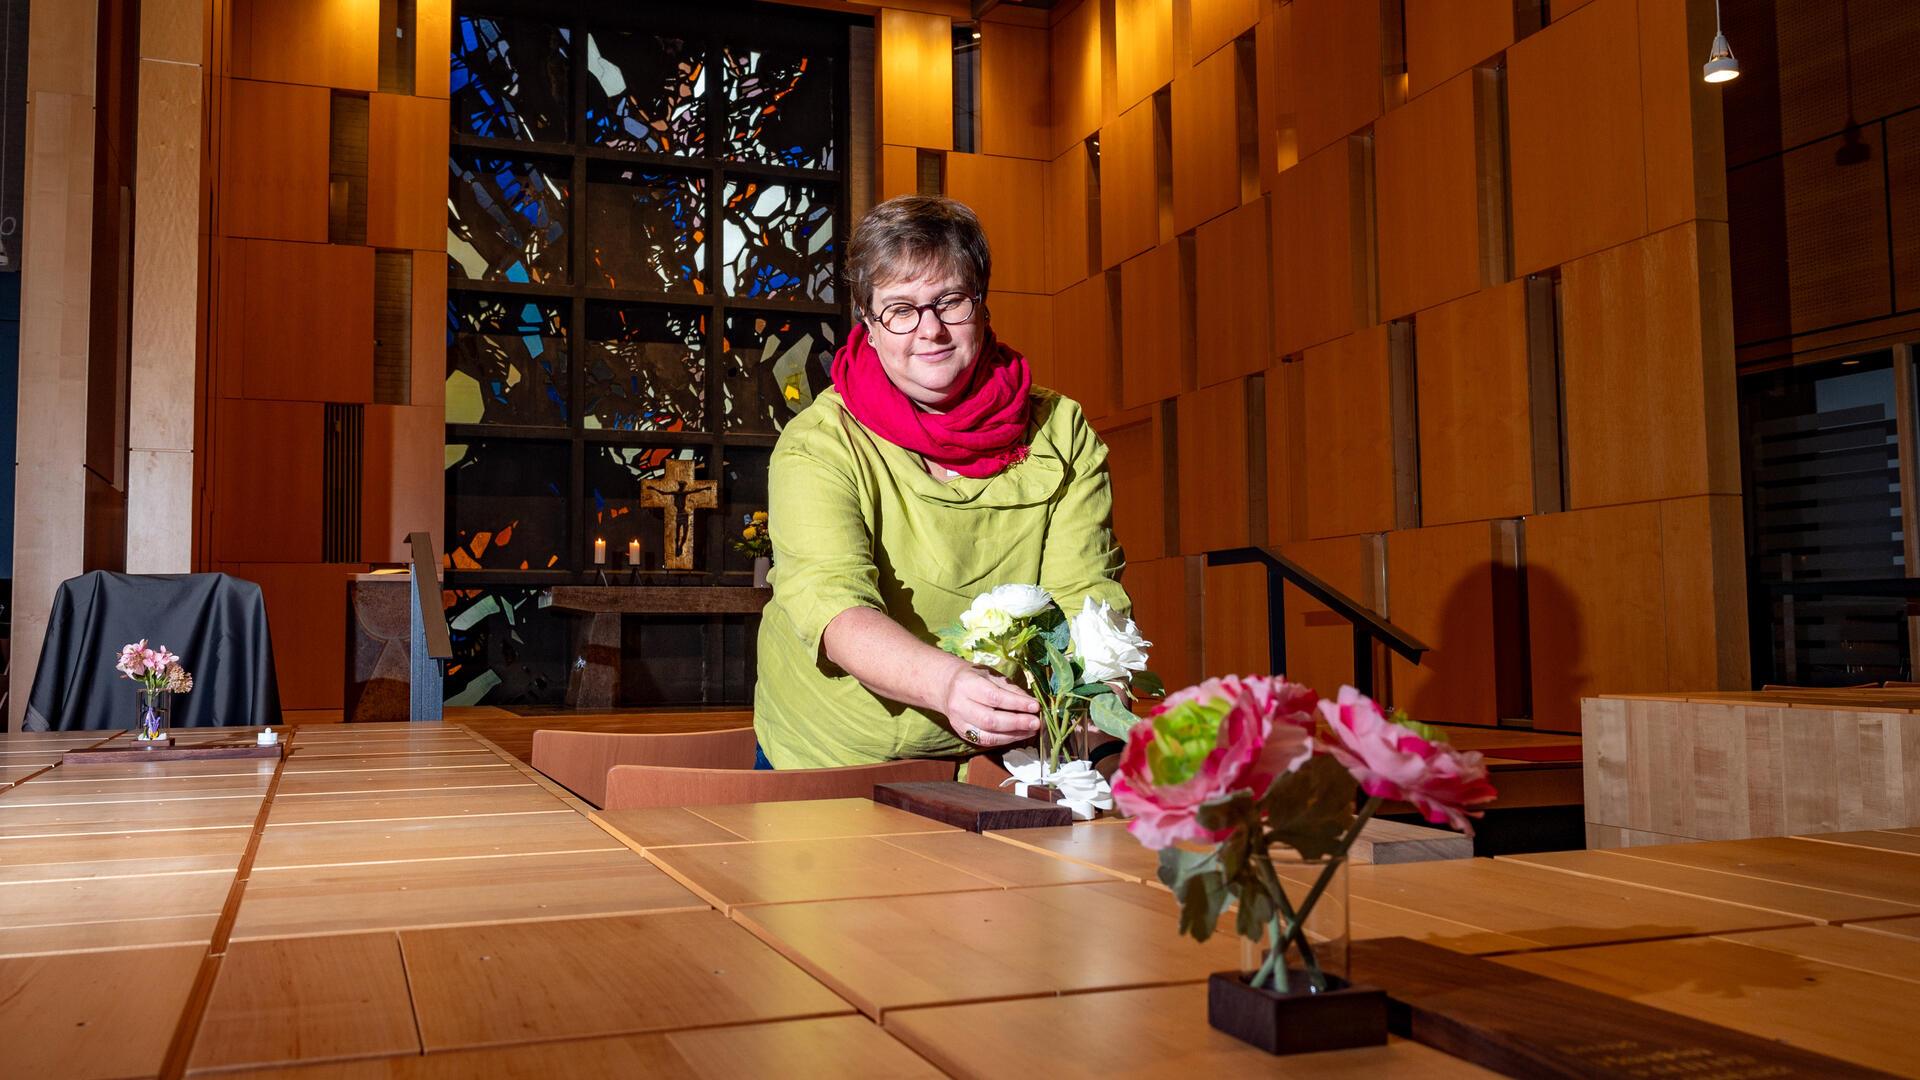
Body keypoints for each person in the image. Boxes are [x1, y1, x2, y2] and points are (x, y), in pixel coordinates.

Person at [753, 195, 1131, 769]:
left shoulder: (1060, 428)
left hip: (1009, 755)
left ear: (981, 306)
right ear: (870, 326)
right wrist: (949, 684)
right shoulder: (819, 443)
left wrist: (1103, 702)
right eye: (900, 309)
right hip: (835, 760)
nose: (928, 330)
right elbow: (833, 606)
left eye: (949, 302)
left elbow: (1084, 594)